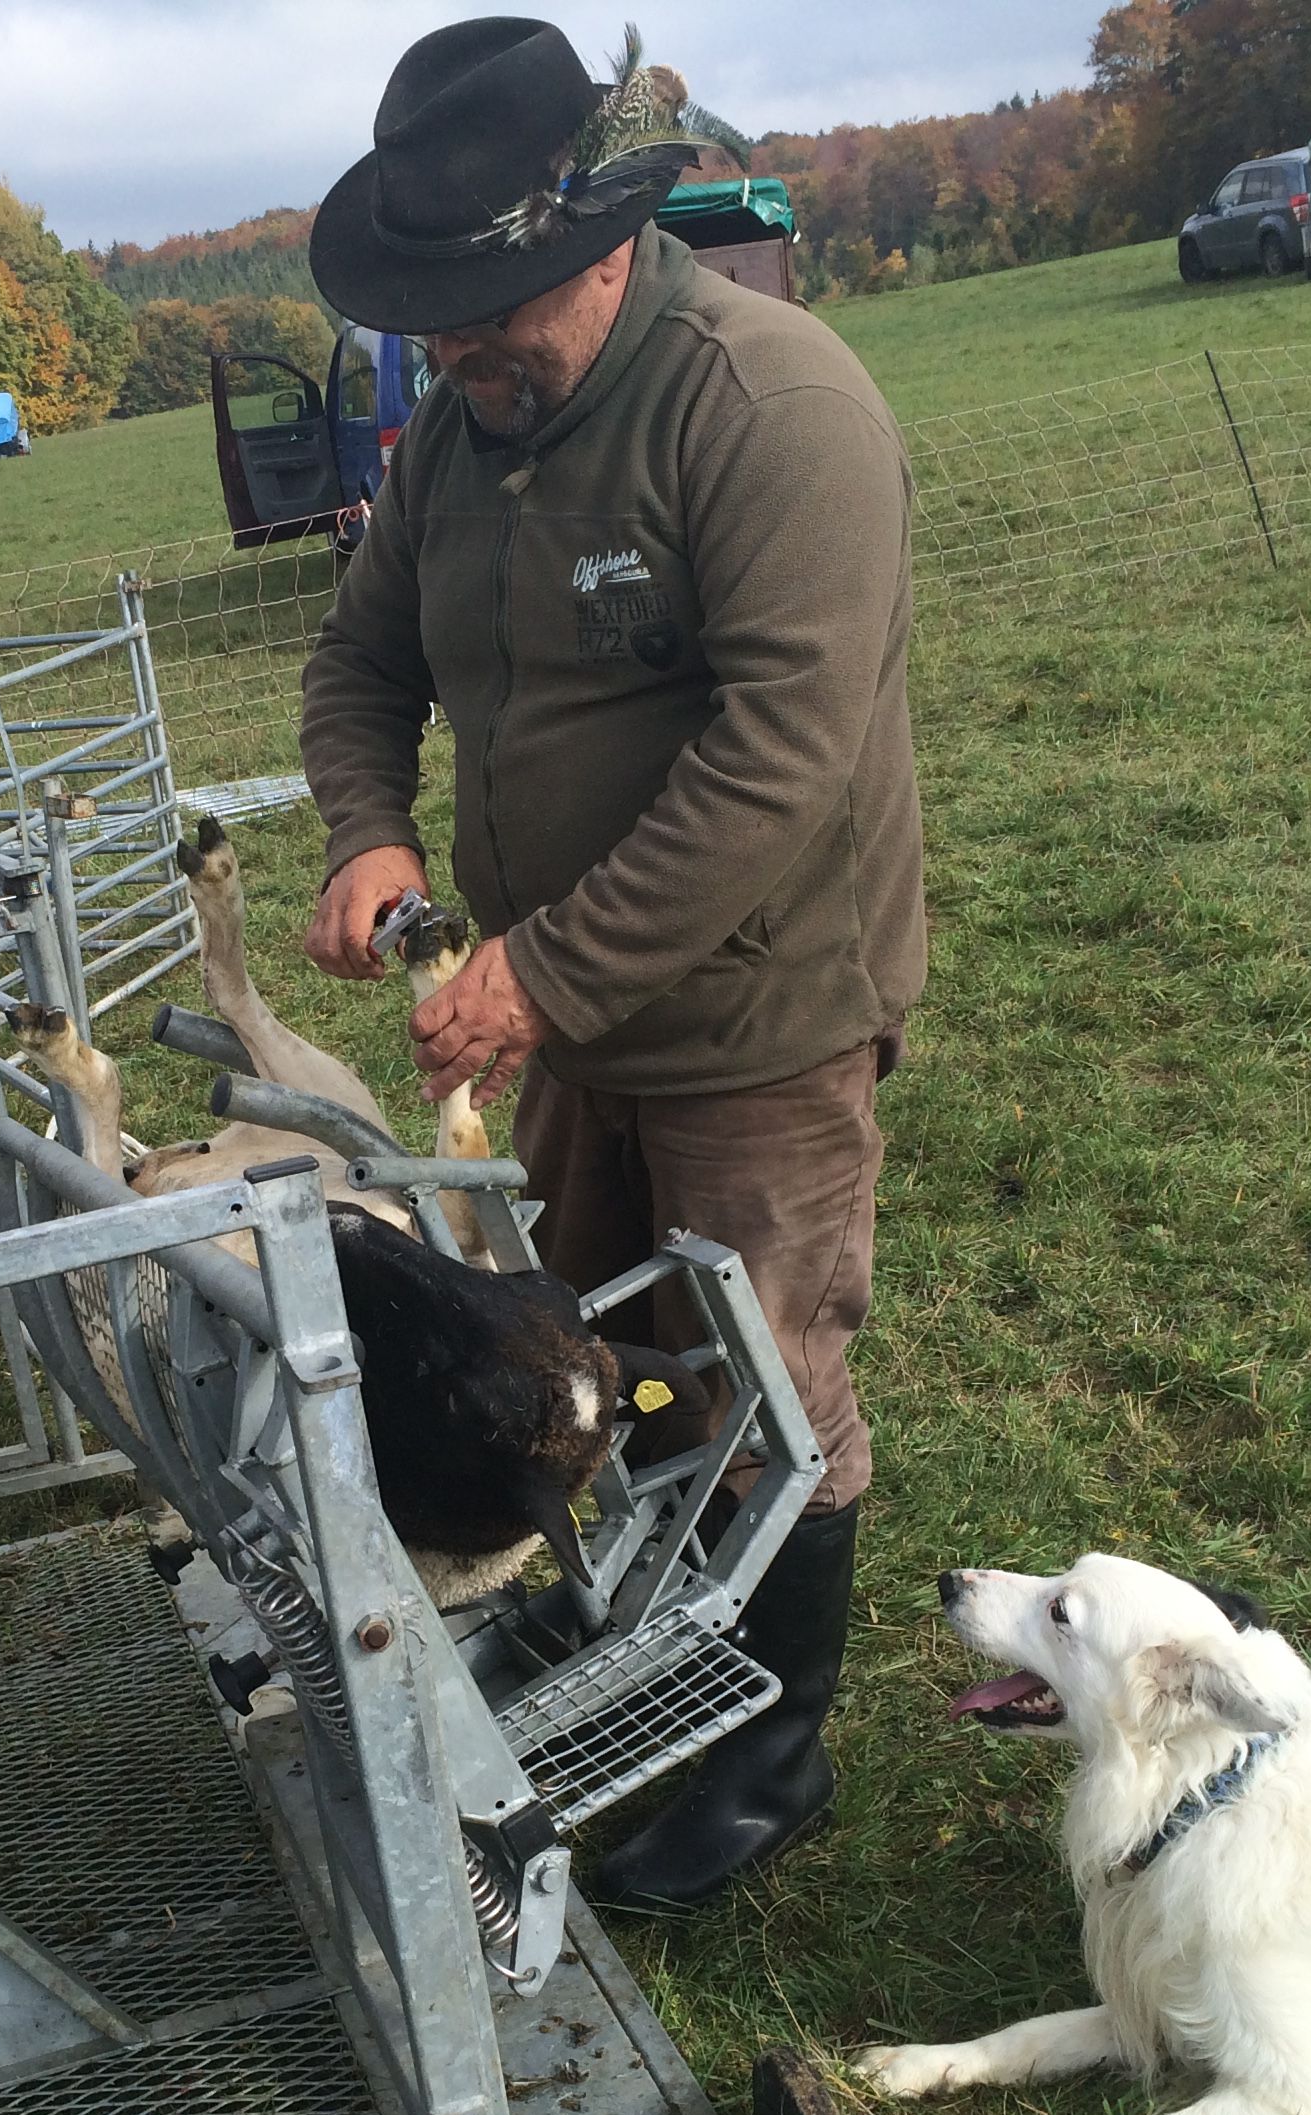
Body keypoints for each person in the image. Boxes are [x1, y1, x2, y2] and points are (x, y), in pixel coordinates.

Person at [300, 21, 925, 1910]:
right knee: (586, 1345)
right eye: (430, 317)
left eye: (488, 308)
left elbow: (782, 763)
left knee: (762, 1367)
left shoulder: (767, 409)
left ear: (601, 245)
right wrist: (369, 832)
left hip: (757, 1005)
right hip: (559, 1006)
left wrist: (544, 974)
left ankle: (776, 1750)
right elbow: (357, 665)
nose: (458, 352)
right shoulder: (459, 443)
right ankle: (644, 1633)